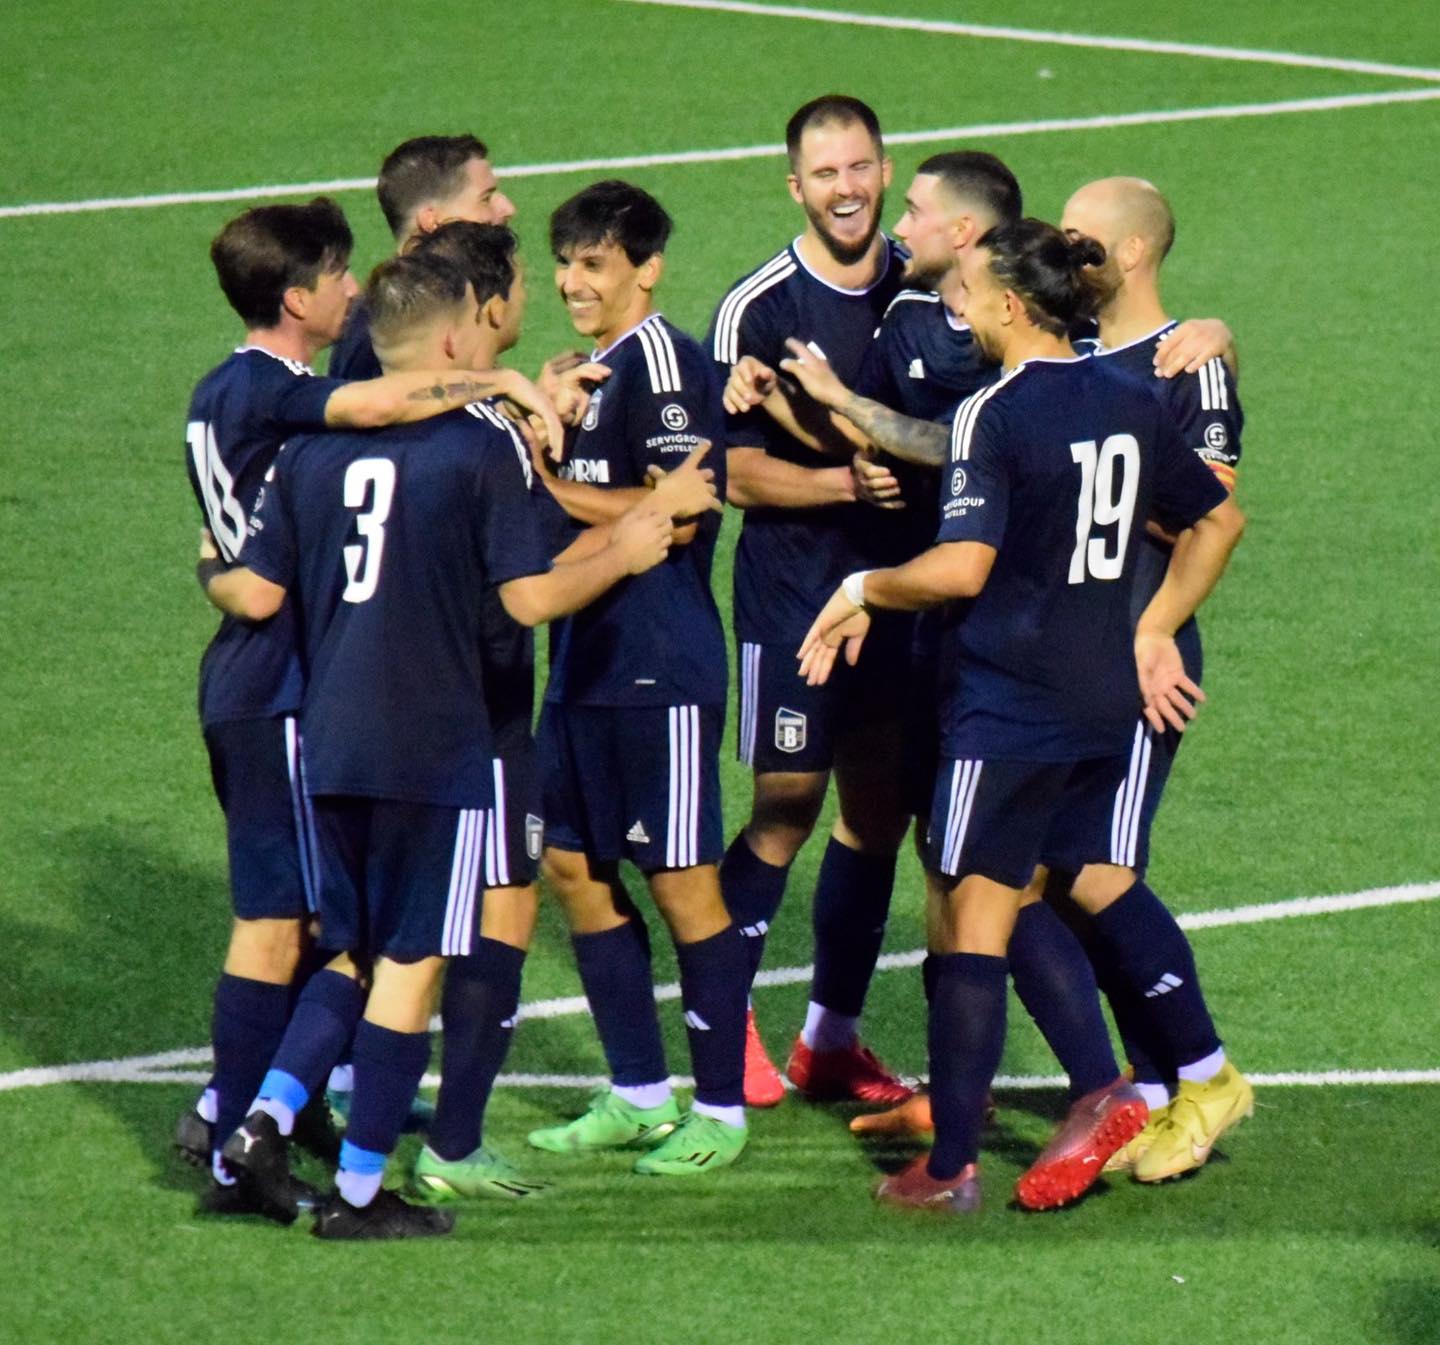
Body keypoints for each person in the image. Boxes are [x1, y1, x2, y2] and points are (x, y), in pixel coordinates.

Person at [206, 250, 676, 1238]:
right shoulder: (476, 450)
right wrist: (631, 545)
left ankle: (261, 1116)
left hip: (328, 737)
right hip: (436, 741)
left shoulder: (308, 454)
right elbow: (525, 598)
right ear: (459, 339)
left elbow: (259, 584)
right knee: (411, 964)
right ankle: (363, 1195)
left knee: (351, 952)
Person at [797, 219, 1245, 1212]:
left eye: (966, 287)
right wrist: (1161, 619)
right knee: (1067, 881)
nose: (956, 304)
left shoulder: (993, 415)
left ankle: (955, 1162)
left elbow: (963, 568)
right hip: (1100, 698)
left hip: (1007, 702)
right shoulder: (1126, 394)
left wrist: (864, 587)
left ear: (1008, 303)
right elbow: (1218, 516)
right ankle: (1122, 1086)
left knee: (969, 912)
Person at [179, 197, 553, 1214]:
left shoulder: (217, 394)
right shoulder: (282, 399)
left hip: (247, 684)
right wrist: (504, 382)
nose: (351, 288)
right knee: (333, 935)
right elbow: (380, 409)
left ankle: (256, 1119)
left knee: (314, 927)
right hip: (304, 691)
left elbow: (238, 571)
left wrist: (211, 565)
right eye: (338, 276)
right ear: (298, 298)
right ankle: (241, 1123)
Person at [523, 180, 750, 1177]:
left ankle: (724, 1108)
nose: (575, 281)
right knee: (571, 864)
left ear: (646, 268)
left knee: (682, 881)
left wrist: (537, 480)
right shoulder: (588, 370)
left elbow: (678, 514)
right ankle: (637, 1092)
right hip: (581, 657)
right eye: (566, 262)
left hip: (659, 661)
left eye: (596, 264)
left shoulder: (665, 366)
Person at [706, 95, 913, 1108]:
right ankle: (725, 1029)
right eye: (824, 173)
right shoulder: (759, 307)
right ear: (795, 184)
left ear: (884, 169)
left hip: (898, 597)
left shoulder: (922, 289)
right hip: (793, 598)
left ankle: (830, 1038)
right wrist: (844, 485)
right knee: (785, 808)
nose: (845, 188)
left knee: (876, 814)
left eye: (861, 167)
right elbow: (733, 477)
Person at [1048, 176, 1251, 1181]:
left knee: (1094, 862)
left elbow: (1211, 511)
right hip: (1065, 659)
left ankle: (1205, 1076)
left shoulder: (1189, 369)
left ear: (1131, 255)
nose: (1064, 251)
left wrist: (1158, 623)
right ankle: (1162, 1087)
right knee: (1067, 871)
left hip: (1138, 651)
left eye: (1082, 239)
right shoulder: (1071, 353)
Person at [328, 133, 516, 381]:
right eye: (486, 198)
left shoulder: (443, 301)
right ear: (432, 221)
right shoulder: (386, 328)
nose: (508, 209)